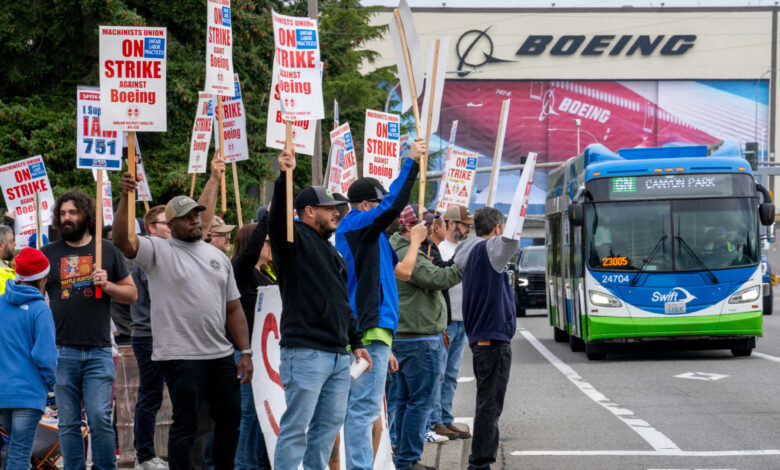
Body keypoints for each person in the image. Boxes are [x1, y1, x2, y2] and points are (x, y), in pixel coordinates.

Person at [113, 177, 252, 470]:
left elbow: (234, 307)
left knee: (230, 419)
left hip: (220, 354)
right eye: (186, 218)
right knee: (186, 424)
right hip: (179, 355)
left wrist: (246, 352)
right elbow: (123, 241)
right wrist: (127, 196)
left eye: (196, 217)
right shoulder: (158, 251)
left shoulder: (218, 257)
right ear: (171, 225)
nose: (195, 222)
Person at [268, 149, 372, 470]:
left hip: (339, 356)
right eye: (330, 209)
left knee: (326, 431)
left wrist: (356, 343)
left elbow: (343, 302)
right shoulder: (291, 239)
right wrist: (284, 176)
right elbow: (277, 218)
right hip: (306, 353)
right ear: (308, 211)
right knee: (296, 429)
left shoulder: (332, 252)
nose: (337, 214)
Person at [334, 138, 425, 470]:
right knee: (361, 410)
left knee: (365, 409)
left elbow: (391, 280)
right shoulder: (356, 226)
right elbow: (393, 205)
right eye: (377, 202)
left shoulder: (377, 239)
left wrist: (387, 348)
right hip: (367, 332)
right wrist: (411, 164)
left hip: (376, 334)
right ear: (362, 206)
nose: (385, 210)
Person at [42, 191, 137, 470]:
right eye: (63, 213)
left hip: (98, 350)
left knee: (99, 416)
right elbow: (32, 297)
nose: (67, 218)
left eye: (73, 212)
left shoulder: (107, 251)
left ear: (86, 215)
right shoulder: (49, 254)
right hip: (62, 350)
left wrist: (107, 286)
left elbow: (131, 294)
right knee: (69, 422)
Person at [388, 206, 462, 470]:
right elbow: (437, 278)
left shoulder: (403, 248)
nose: (429, 229)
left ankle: (404, 457)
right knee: (419, 403)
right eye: (423, 226)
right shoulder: (406, 251)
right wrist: (463, 264)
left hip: (410, 337)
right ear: (409, 228)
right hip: (418, 339)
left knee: (407, 401)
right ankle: (408, 459)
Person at [453, 207, 519, 470]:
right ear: (497, 228)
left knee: (487, 402)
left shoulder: (468, 251)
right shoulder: (489, 251)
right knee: (489, 406)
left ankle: (481, 460)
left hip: (484, 338)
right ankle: (480, 463)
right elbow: (510, 242)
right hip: (492, 339)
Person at [0, 248, 57, 470]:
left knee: (15, 451)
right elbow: (45, 356)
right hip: (28, 394)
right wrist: (52, 383)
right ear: (43, 278)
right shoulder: (40, 309)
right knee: (19, 456)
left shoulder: (1, 302)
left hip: (3, 394)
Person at [230, 212, 274, 470]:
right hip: (244, 353)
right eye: (265, 241)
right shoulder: (240, 270)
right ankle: (244, 465)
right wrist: (267, 217)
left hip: (263, 353)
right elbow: (248, 255)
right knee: (248, 413)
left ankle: (259, 462)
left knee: (261, 413)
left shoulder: (266, 274)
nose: (268, 246)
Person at [130, 205, 170, 470]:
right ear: (151, 227)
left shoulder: (167, 253)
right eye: (165, 222)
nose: (170, 226)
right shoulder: (149, 256)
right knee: (151, 395)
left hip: (167, 333)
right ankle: (143, 455)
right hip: (149, 335)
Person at [428, 205, 473, 440]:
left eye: (470, 227)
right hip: (444, 322)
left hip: (462, 321)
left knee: (452, 373)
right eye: (465, 226)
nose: (468, 231)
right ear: (452, 224)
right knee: (439, 373)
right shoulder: (439, 250)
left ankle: (445, 417)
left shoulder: (466, 249)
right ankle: (435, 420)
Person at [0, 224, 16, 294]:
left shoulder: (6, 265)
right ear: (1, 246)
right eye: (11, 241)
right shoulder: (2, 276)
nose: (15, 244)